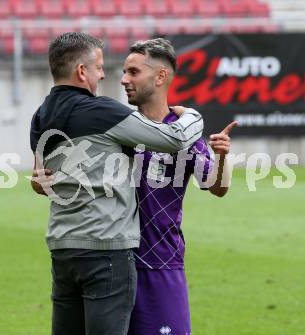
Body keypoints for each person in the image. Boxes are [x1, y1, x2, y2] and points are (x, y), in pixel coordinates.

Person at [29, 32, 204, 335]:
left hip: (62, 247)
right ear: (81, 72)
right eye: (98, 67)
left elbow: (40, 178)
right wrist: (192, 115)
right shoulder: (101, 111)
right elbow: (175, 139)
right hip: (105, 247)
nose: (105, 74)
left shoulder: (40, 116)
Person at [120, 38, 237, 335]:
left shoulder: (181, 131)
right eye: (124, 71)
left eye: (133, 72)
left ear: (160, 77)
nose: (123, 79)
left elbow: (216, 186)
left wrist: (222, 157)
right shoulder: (117, 126)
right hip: (111, 262)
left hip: (160, 261)